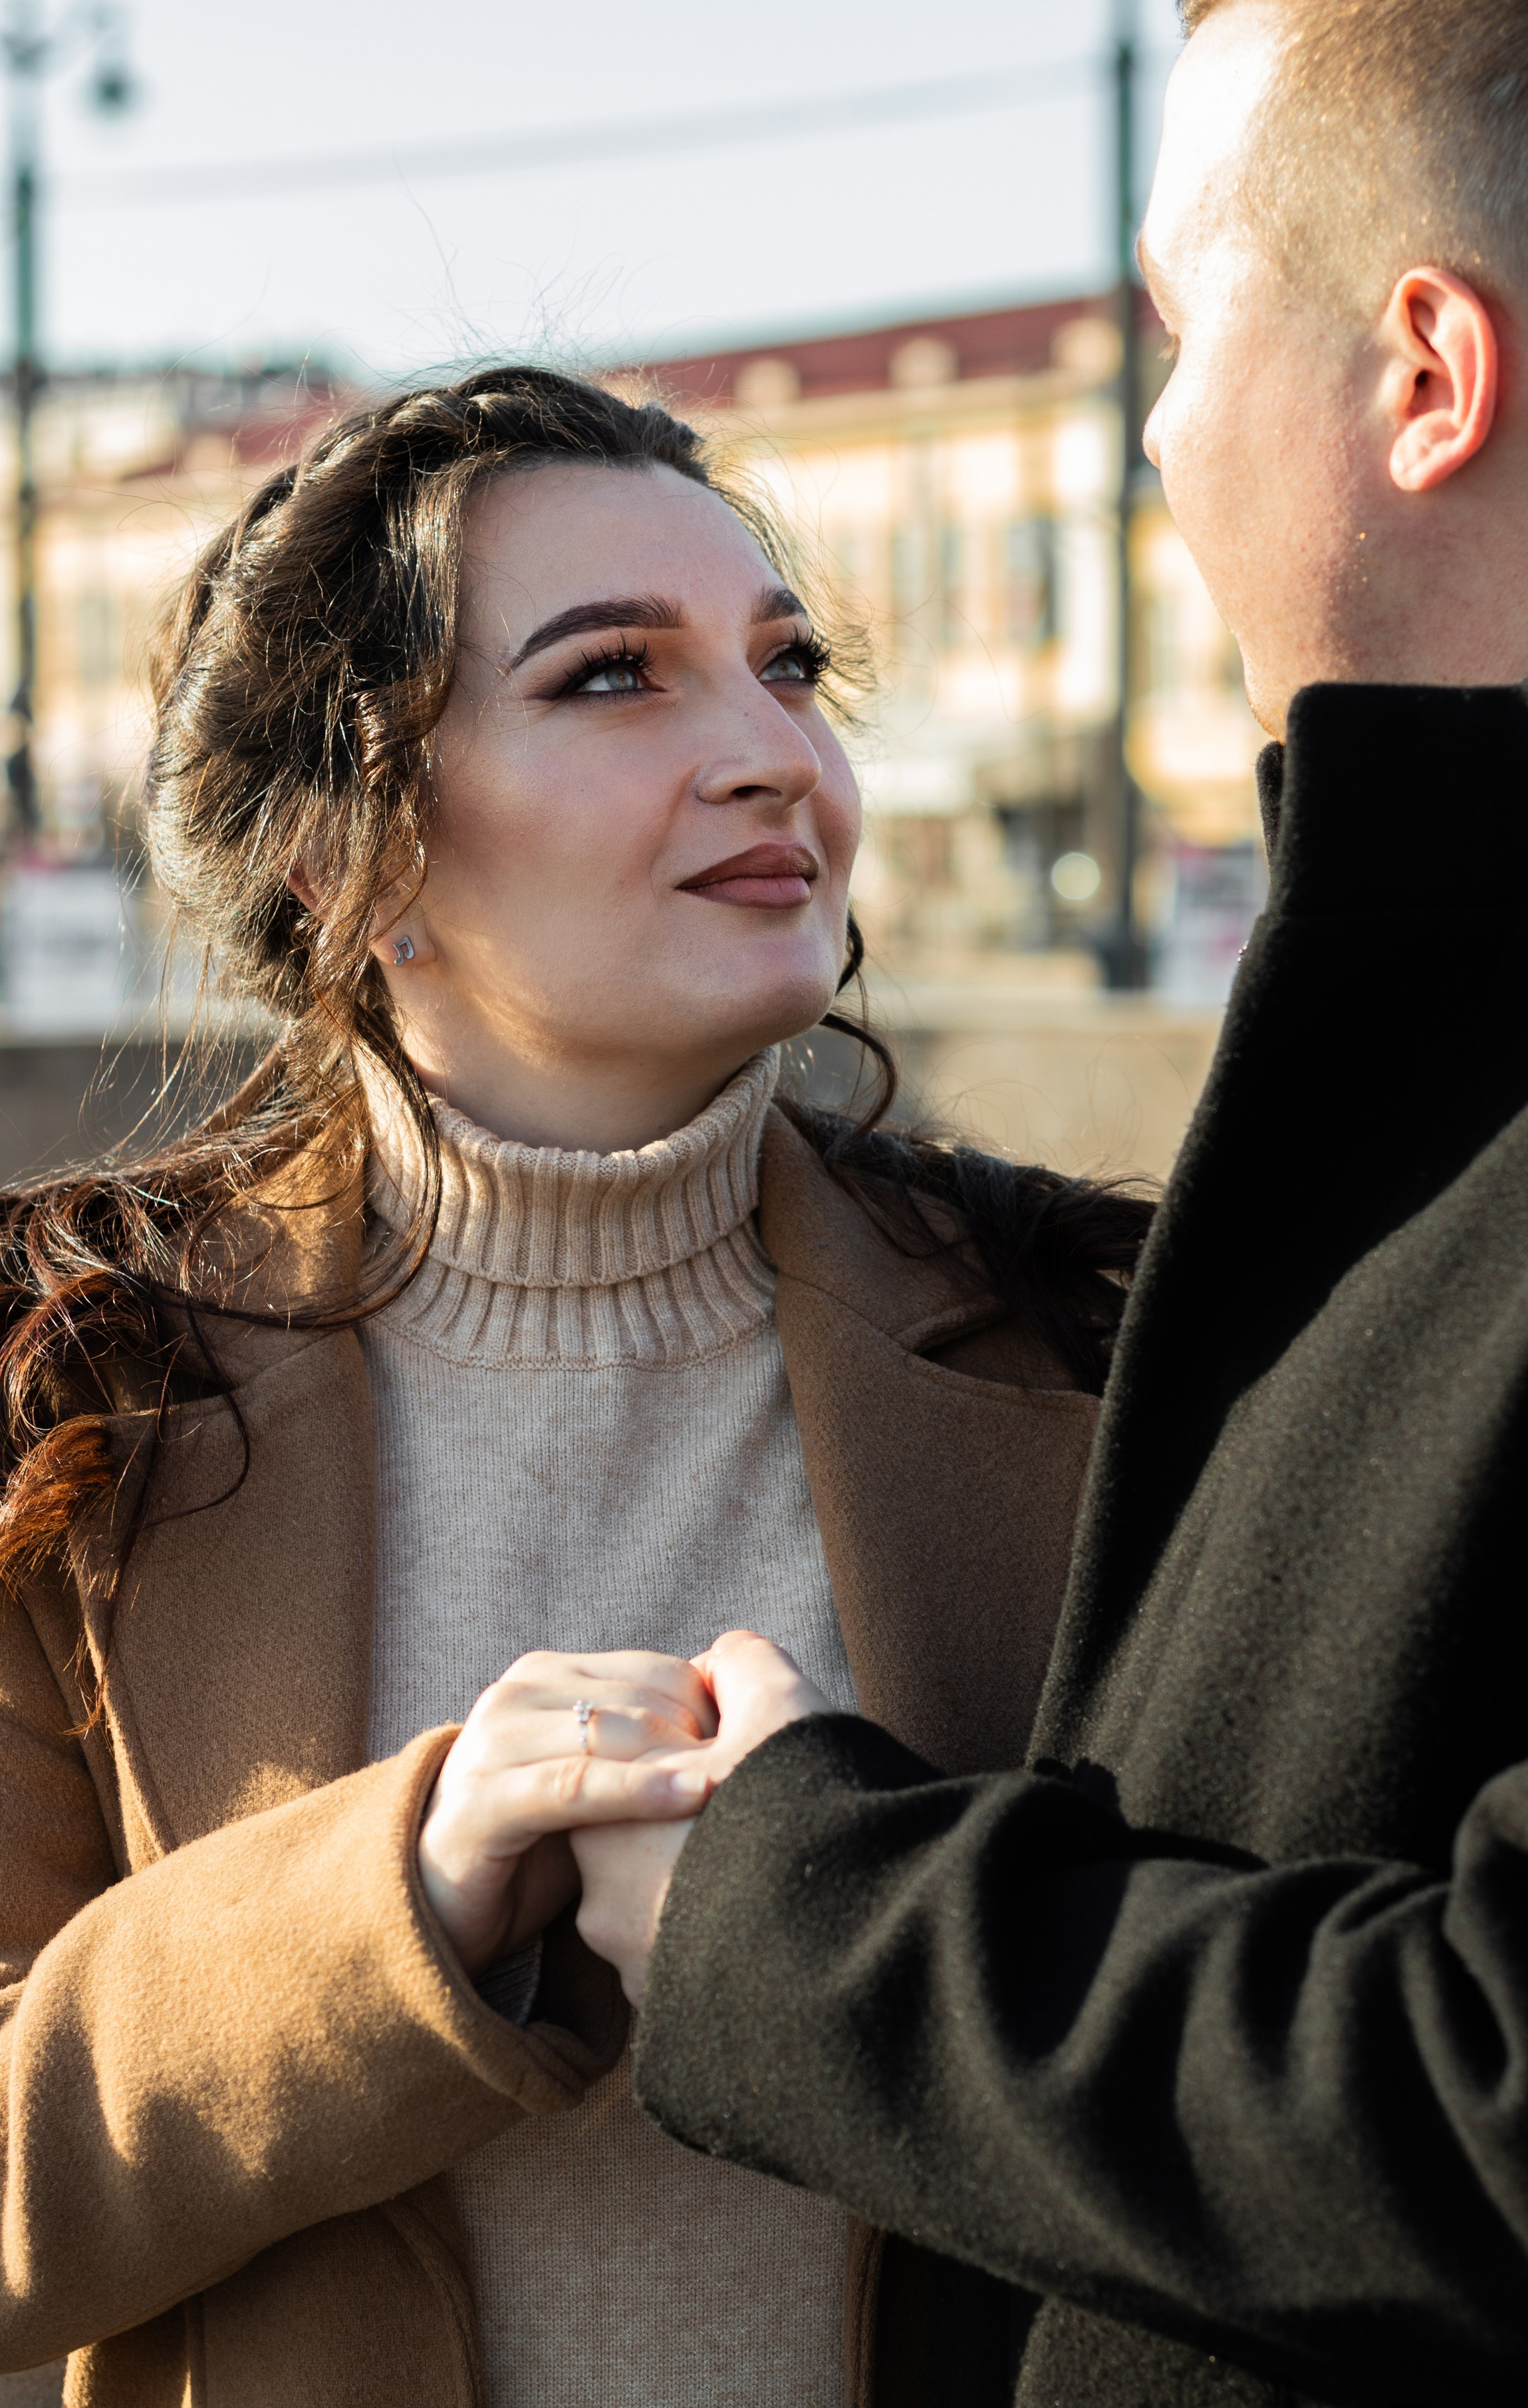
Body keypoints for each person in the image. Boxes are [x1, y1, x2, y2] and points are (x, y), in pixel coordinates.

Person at [572, 0, 1528, 2403]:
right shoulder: (1524, 1008)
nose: (1158, 432)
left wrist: (780, 1913)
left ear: (1427, 376)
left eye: (1181, 331)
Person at [0, 368, 1154, 2406]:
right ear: (351, 849)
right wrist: (401, 1908)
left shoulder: (1101, 1338)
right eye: (616, 679)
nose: (769, 756)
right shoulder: (74, 1381)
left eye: (788, 668)